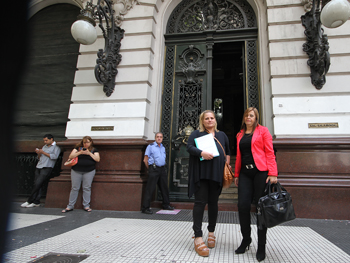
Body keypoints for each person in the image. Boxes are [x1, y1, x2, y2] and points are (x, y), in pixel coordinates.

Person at [234, 107, 278, 262]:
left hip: (261, 173)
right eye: (246, 115)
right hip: (245, 173)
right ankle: (246, 239)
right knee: (243, 206)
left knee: (261, 208)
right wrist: (237, 174)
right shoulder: (240, 134)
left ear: (256, 117)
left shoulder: (263, 131)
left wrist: (273, 173)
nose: (248, 117)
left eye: (251, 115)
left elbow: (269, 152)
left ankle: (261, 245)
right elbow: (239, 156)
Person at [187, 110, 230, 257]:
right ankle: (198, 236)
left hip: (216, 175)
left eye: (212, 118)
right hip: (202, 175)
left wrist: (227, 163)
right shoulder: (196, 134)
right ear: (202, 121)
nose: (210, 120)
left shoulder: (222, 135)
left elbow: (228, 151)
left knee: (213, 203)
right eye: (207, 118)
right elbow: (189, 147)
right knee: (199, 203)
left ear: (215, 120)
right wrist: (201, 153)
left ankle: (211, 232)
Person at [21, 134, 61, 208]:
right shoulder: (44, 147)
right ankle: (36, 201)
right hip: (39, 166)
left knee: (38, 183)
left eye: (46, 140)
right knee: (37, 184)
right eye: (44, 140)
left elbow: (54, 157)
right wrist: (39, 153)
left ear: (51, 139)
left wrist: (43, 152)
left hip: (47, 166)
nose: (45, 142)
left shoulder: (56, 147)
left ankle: (29, 200)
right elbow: (40, 157)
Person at [62, 136, 100, 213]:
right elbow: (71, 156)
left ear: (91, 142)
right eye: (84, 142)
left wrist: (89, 153)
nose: (86, 144)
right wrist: (80, 152)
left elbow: (97, 159)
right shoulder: (77, 148)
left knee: (87, 188)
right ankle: (70, 206)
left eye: (88, 142)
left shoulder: (94, 150)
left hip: (89, 171)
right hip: (76, 170)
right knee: (74, 188)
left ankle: (86, 205)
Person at [141, 132, 174, 214]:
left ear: (162, 138)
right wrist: (151, 168)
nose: (159, 138)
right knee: (150, 188)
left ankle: (166, 205)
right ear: (155, 138)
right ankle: (145, 208)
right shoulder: (150, 146)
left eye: (161, 137)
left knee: (164, 188)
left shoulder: (163, 147)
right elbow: (145, 159)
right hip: (154, 169)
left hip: (162, 169)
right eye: (157, 137)